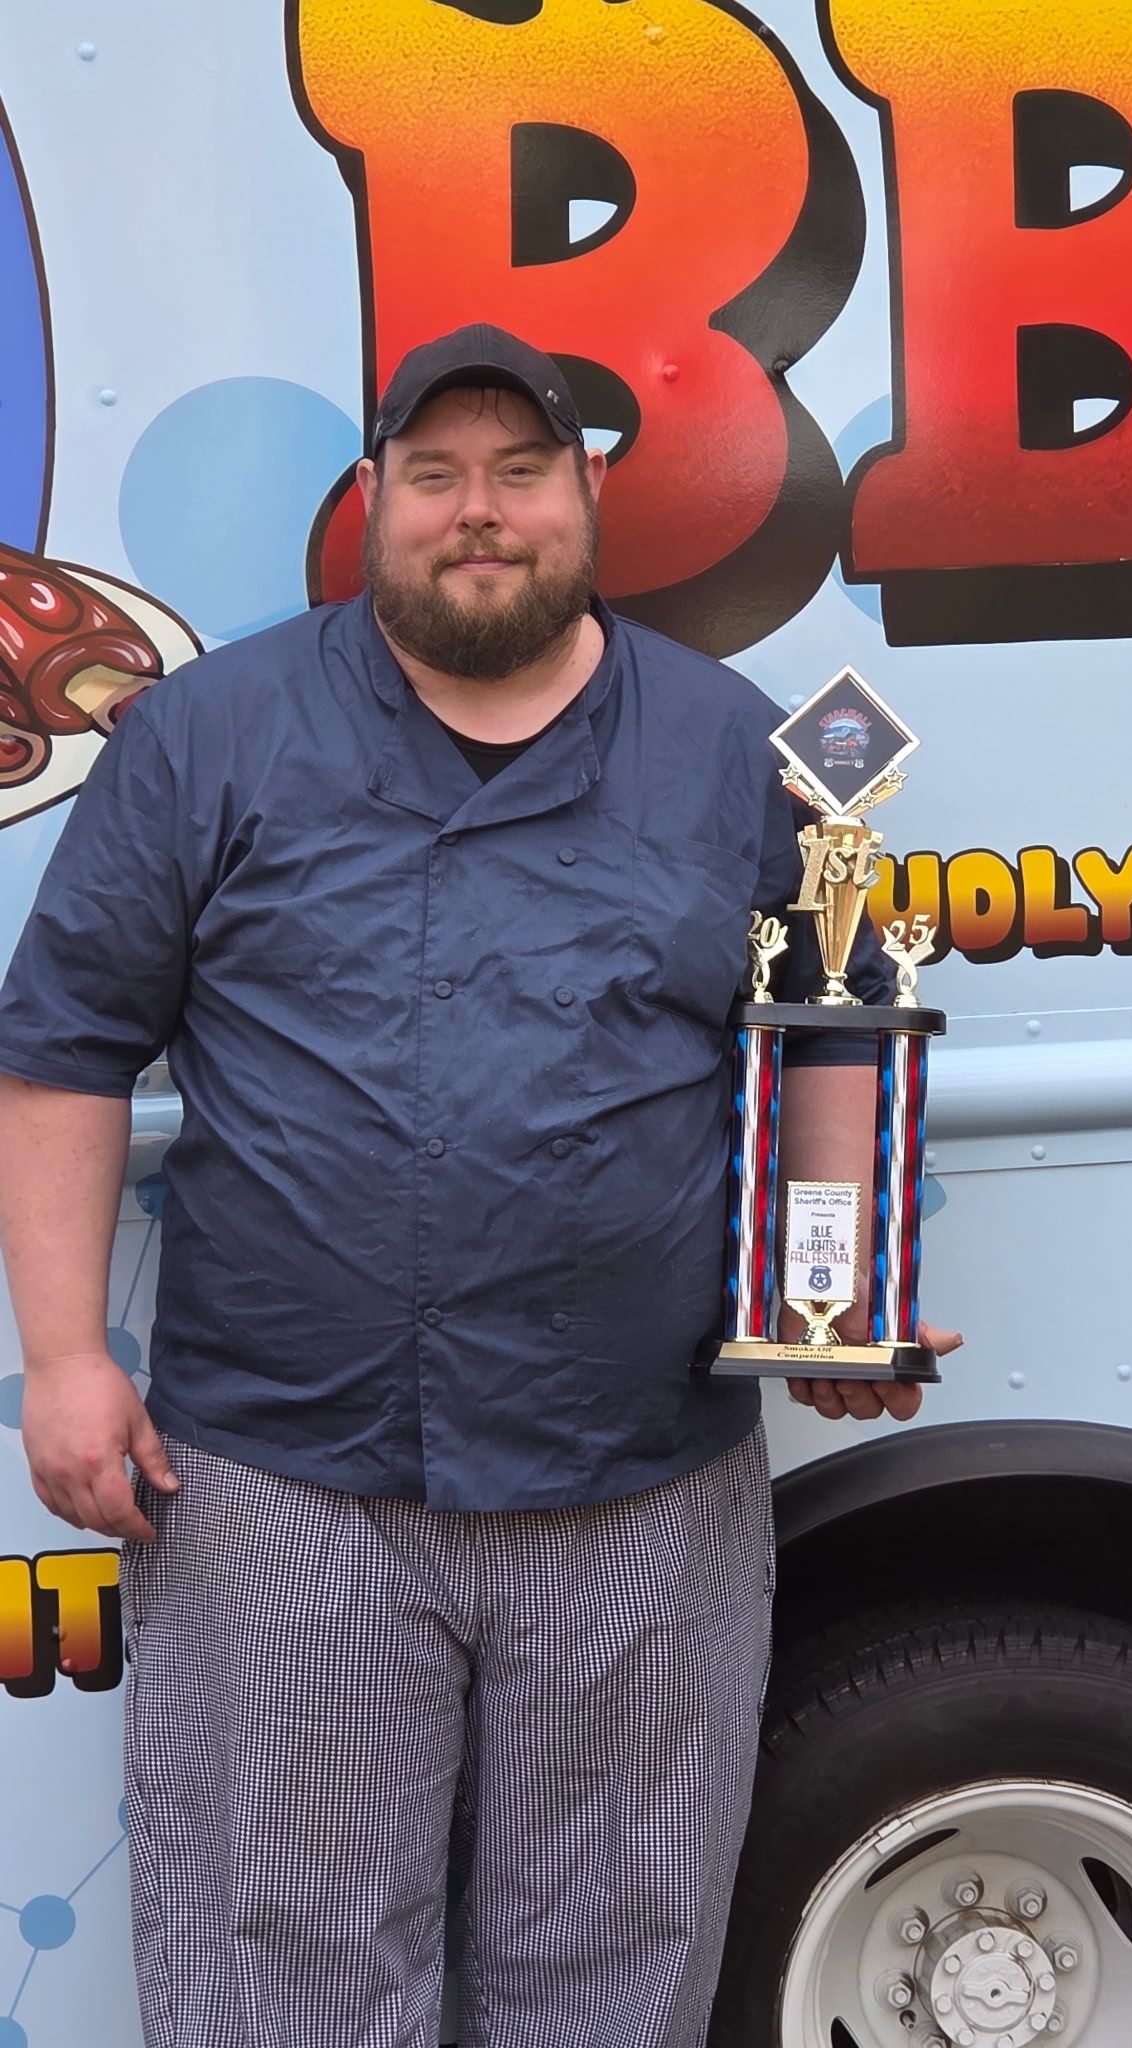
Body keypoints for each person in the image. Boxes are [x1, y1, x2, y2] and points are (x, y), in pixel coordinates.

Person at [0, 323, 961, 2048]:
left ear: (586, 493)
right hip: (289, 1479)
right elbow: (62, 1045)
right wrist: (67, 1359)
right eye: (435, 476)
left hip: (639, 1487)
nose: (480, 513)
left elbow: (832, 1036)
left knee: (612, 1963)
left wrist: (833, 1304)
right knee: (282, 1967)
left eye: (522, 472)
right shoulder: (210, 733)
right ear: (376, 503)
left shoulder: (740, 750)